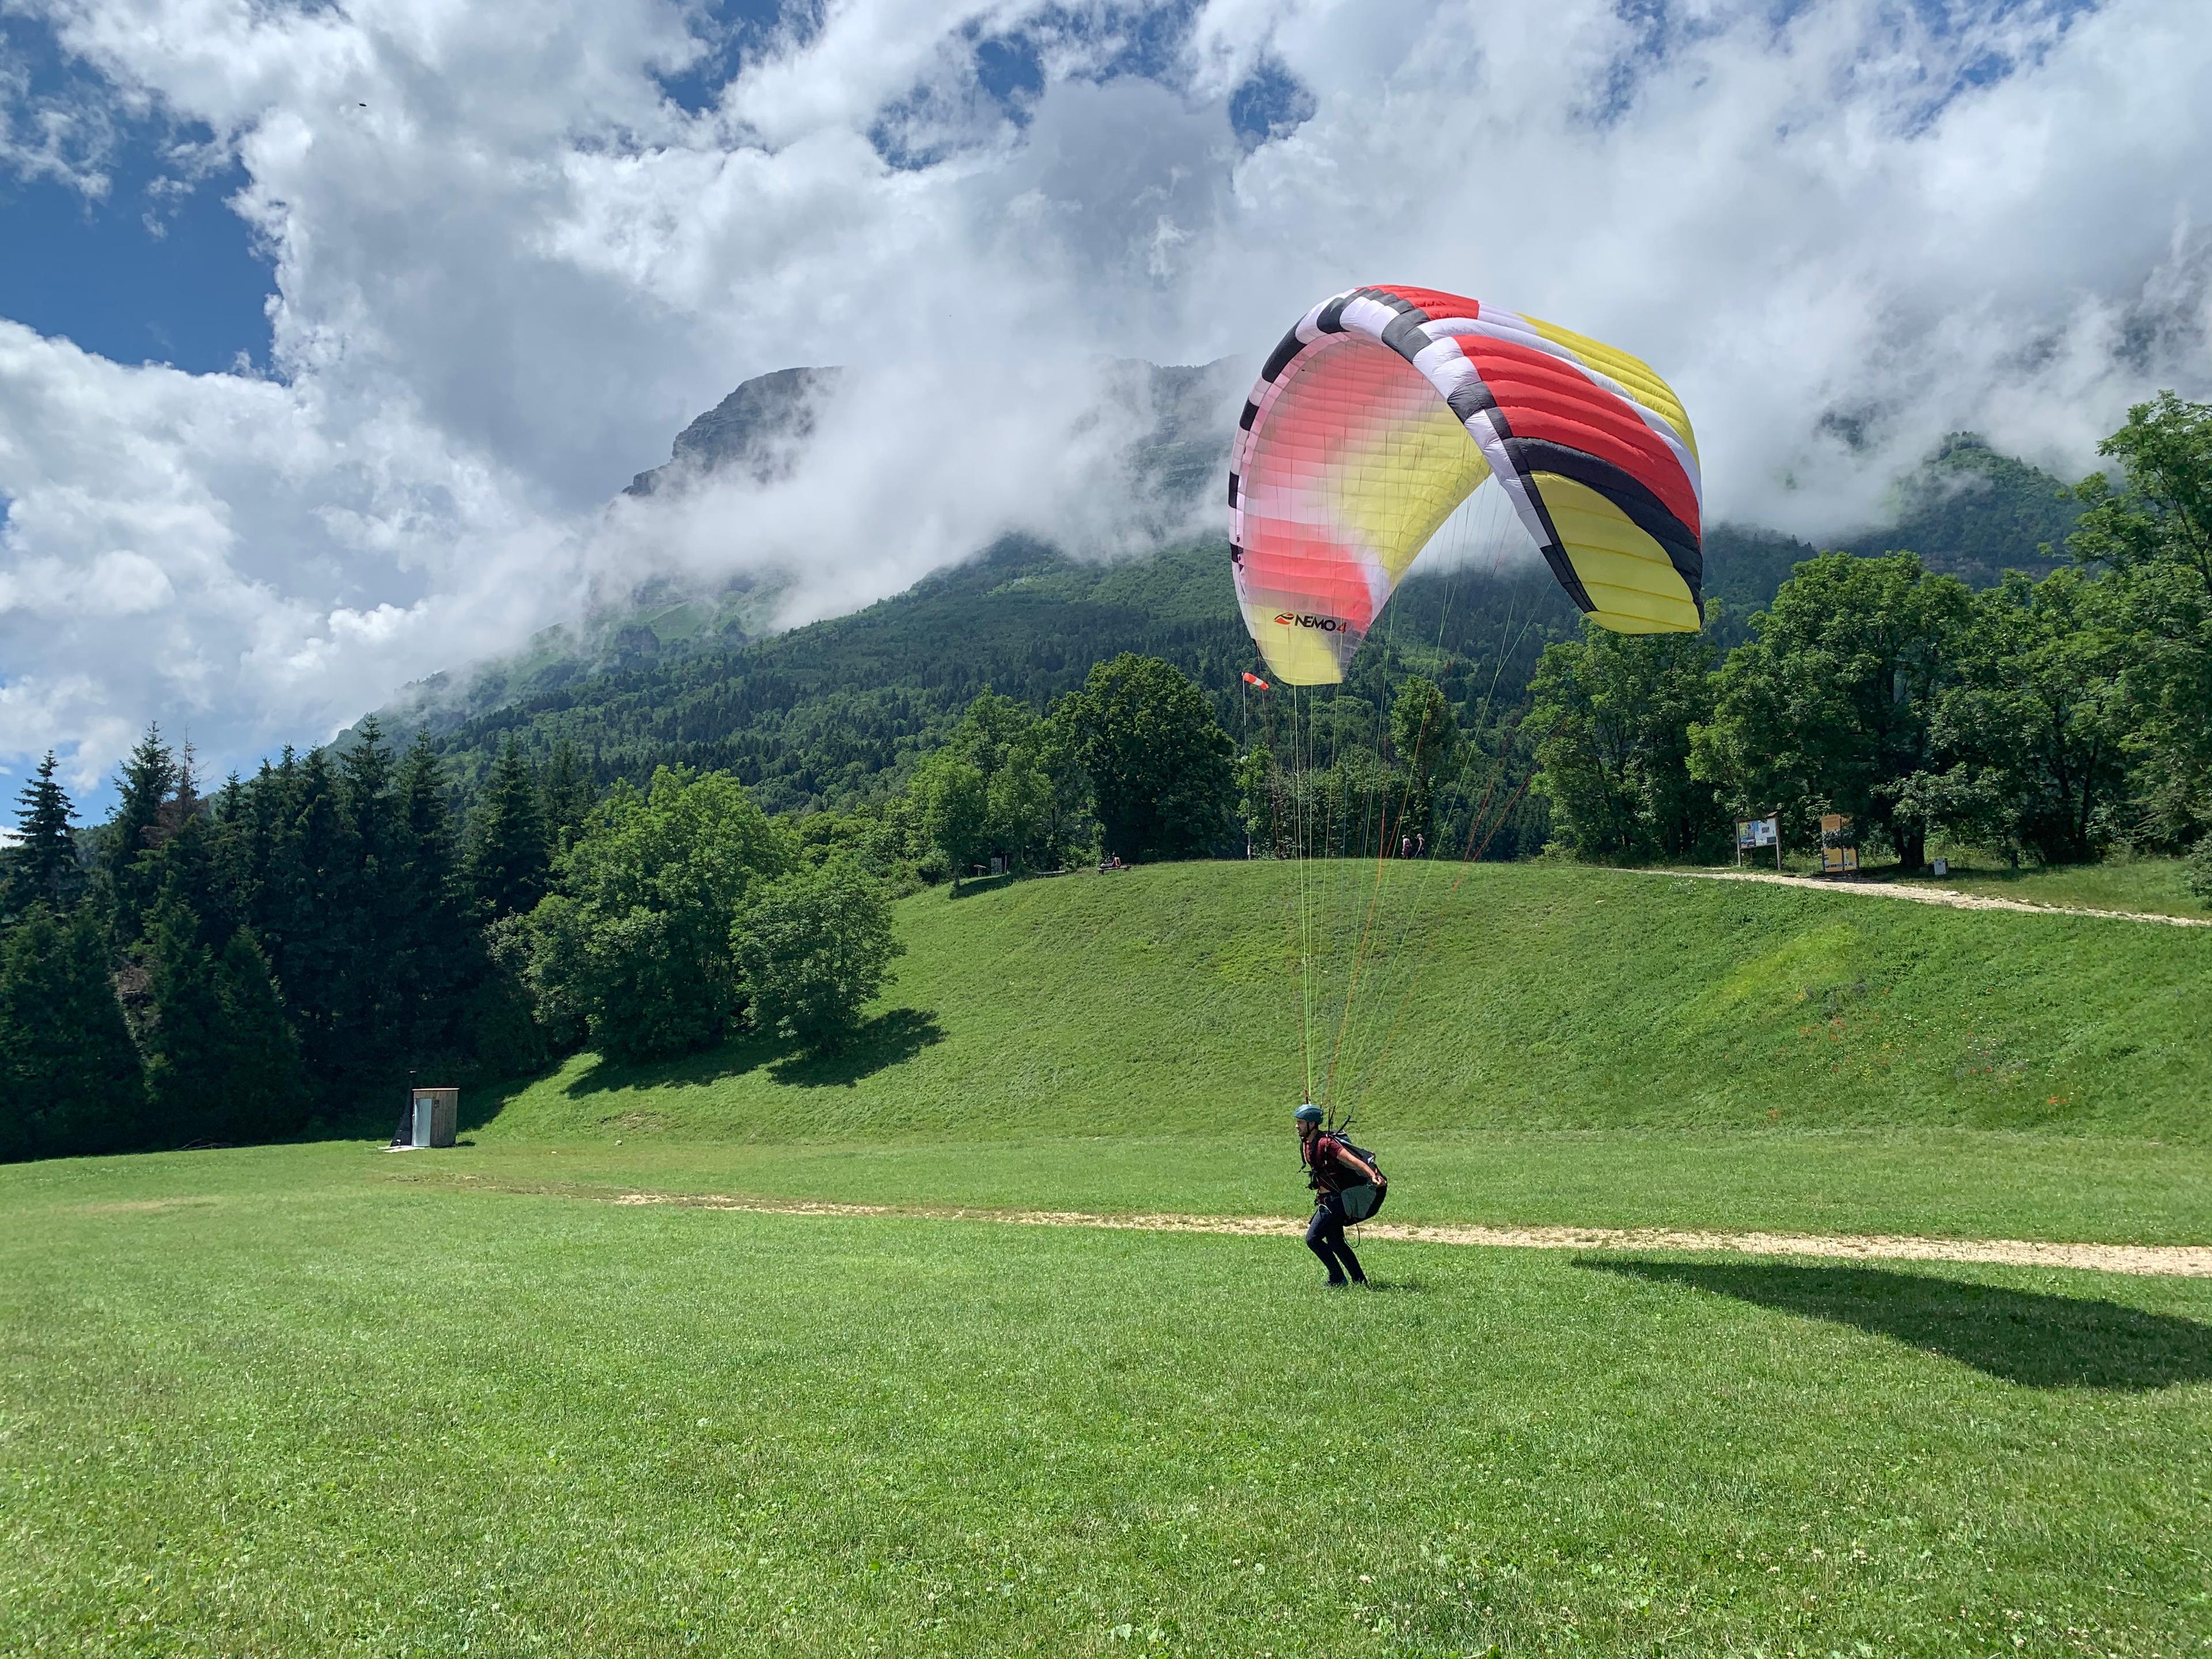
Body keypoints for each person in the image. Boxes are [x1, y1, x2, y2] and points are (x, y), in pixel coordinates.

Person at [1295, 1103, 1382, 1287]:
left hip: (1336, 1202)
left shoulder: (1327, 1144)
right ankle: (1360, 1282)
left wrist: (1372, 1175)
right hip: (1327, 1200)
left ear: (1312, 1124)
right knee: (1336, 1242)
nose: (1297, 1126)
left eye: (1301, 1123)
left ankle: (1337, 1278)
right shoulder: (1307, 1143)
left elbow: (1354, 1161)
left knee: (1313, 1239)